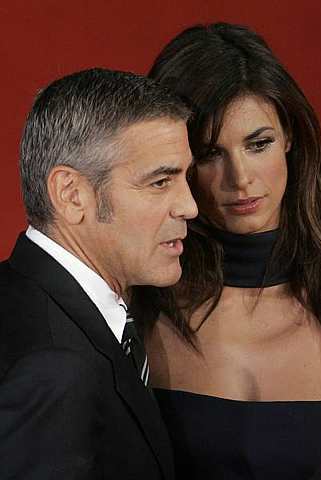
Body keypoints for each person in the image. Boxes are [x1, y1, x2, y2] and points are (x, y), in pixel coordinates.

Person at [137, 23, 321, 479]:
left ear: (290, 139)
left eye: (258, 144)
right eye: (210, 153)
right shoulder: (137, 302)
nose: (240, 179)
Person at [0, 68, 197, 479]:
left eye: (186, 178)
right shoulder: (52, 367)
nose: (189, 206)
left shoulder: (23, 301)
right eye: (160, 182)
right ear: (72, 195)